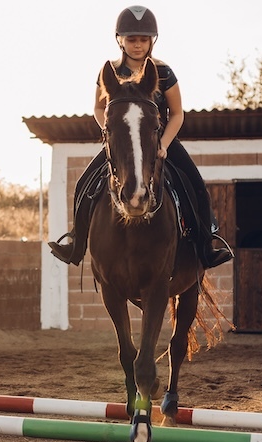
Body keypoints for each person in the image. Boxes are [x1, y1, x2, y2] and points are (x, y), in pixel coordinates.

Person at [48, 5, 233, 269]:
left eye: (143, 39)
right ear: (120, 40)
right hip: (121, 142)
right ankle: (76, 245)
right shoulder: (110, 73)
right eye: (132, 39)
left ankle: (206, 246)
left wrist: (163, 146)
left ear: (151, 41)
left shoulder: (164, 72)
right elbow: (99, 109)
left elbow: (177, 114)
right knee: (83, 184)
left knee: (196, 185)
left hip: (158, 141)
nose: (137, 45)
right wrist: (109, 134)